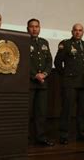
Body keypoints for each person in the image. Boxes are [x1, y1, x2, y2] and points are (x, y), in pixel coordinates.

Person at [54, 23, 84, 144]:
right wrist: (66, 75)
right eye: (75, 30)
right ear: (72, 32)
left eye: (80, 30)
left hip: (83, 83)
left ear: (83, 32)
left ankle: (81, 134)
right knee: (67, 110)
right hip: (70, 83)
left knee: (82, 111)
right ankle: (64, 135)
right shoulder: (65, 44)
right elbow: (57, 63)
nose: (78, 32)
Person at [27, 18, 54, 146]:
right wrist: (34, 75)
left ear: (39, 28)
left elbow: (49, 61)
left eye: (36, 26)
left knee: (41, 112)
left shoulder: (44, 42)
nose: (34, 29)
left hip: (43, 83)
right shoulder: (23, 40)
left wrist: (44, 74)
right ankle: (24, 138)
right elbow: (22, 61)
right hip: (29, 83)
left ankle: (41, 137)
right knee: (27, 112)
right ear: (28, 28)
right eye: (32, 27)